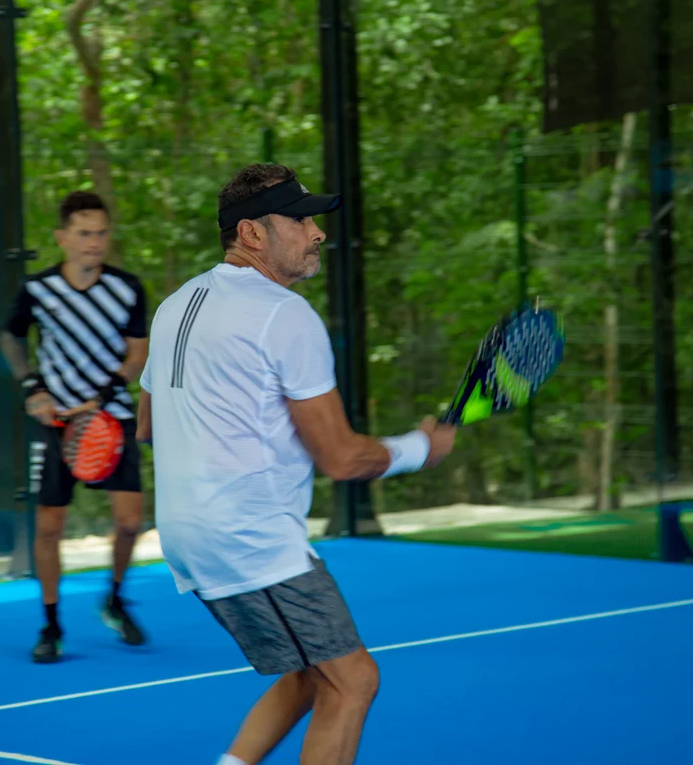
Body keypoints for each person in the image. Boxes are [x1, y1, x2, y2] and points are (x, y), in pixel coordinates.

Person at [135, 164, 457, 764]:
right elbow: (340, 458)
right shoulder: (284, 315)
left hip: (187, 534)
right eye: (300, 220)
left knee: (310, 674)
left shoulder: (175, 307)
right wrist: (420, 448)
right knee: (352, 680)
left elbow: (148, 427)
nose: (317, 232)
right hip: (250, 539)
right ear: (251, 234)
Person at [0, 190, 150, 663]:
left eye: (101, 233)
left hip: (111, 419)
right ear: (62, 238)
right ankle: (50, 624)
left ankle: (115, 599)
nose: (94, 242)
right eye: (84, 233)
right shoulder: (37, 289)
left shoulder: (127, 288)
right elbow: (10, 337)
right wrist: (33, 389)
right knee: (49, 528)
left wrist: (100, 399)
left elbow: (138, 355)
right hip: (56, 423)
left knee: (130, 522)